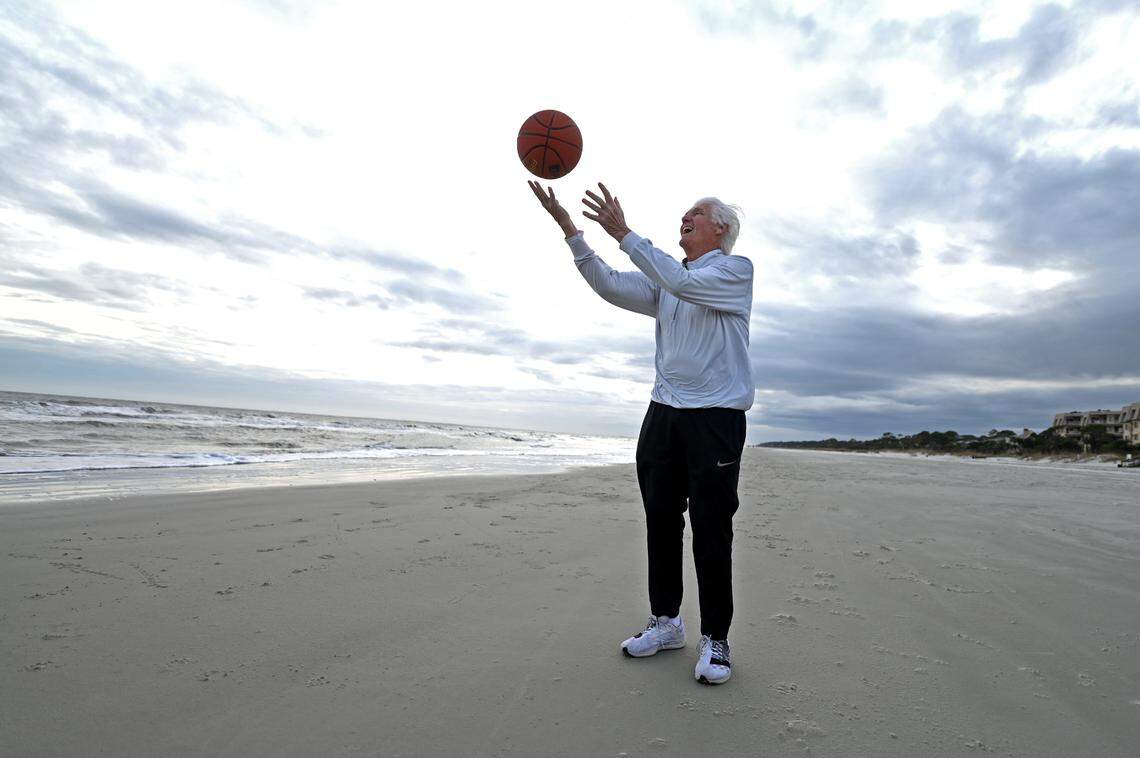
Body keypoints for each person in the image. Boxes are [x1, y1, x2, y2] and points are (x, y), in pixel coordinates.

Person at [528, 180, 754, 685]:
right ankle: (667, 622)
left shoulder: (734, 272)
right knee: (660, 521)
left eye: (694, 213)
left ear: (721, 228)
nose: (684, 218)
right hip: (663, 414)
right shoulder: (668, 280)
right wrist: (572, 231)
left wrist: (625, 233)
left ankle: (715, 638)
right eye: (683, 213)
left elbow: (683, 284)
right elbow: (609, 283)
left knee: (712, 530)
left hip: (715, 417)